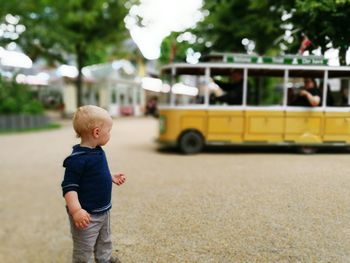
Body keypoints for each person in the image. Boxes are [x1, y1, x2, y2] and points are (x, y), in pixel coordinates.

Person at [61, 105, 126, 263]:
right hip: (86, 216)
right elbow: (69, 187)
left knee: (104, 240)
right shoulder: (76, 159)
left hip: (104, 210)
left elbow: (95, 172)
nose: (109, 134)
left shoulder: (97, 150)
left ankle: (104, 259)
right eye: (108, 131)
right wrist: (76, 211)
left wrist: (109, 176)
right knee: (84, 247)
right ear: (96, 132)